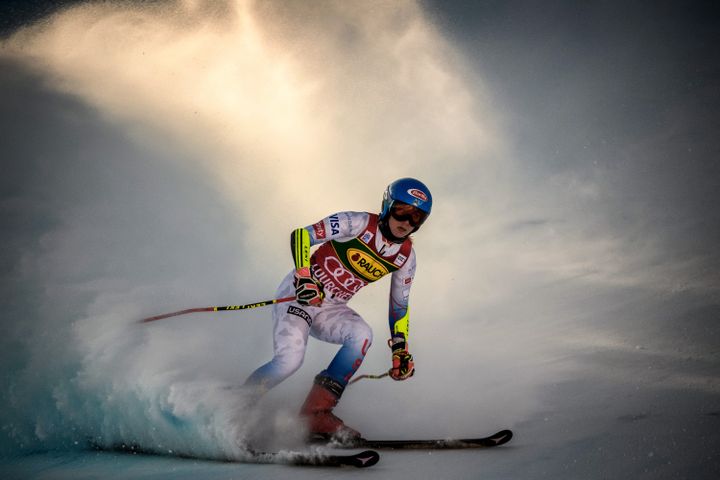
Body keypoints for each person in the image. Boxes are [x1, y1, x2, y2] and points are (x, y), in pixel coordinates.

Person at [243, 177, 432, 440]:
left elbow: (399, 304)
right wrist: (304, 276)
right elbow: (302, 235)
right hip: (299, 296)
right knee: (289, 361)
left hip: (332, 308)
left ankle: (315, 414)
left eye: (417, 217)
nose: (407, 222)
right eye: (402, 210)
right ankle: (236, 407)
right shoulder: (356, 223)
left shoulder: (405, 257)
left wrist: (400, 347)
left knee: (362, 334)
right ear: (388, 205)